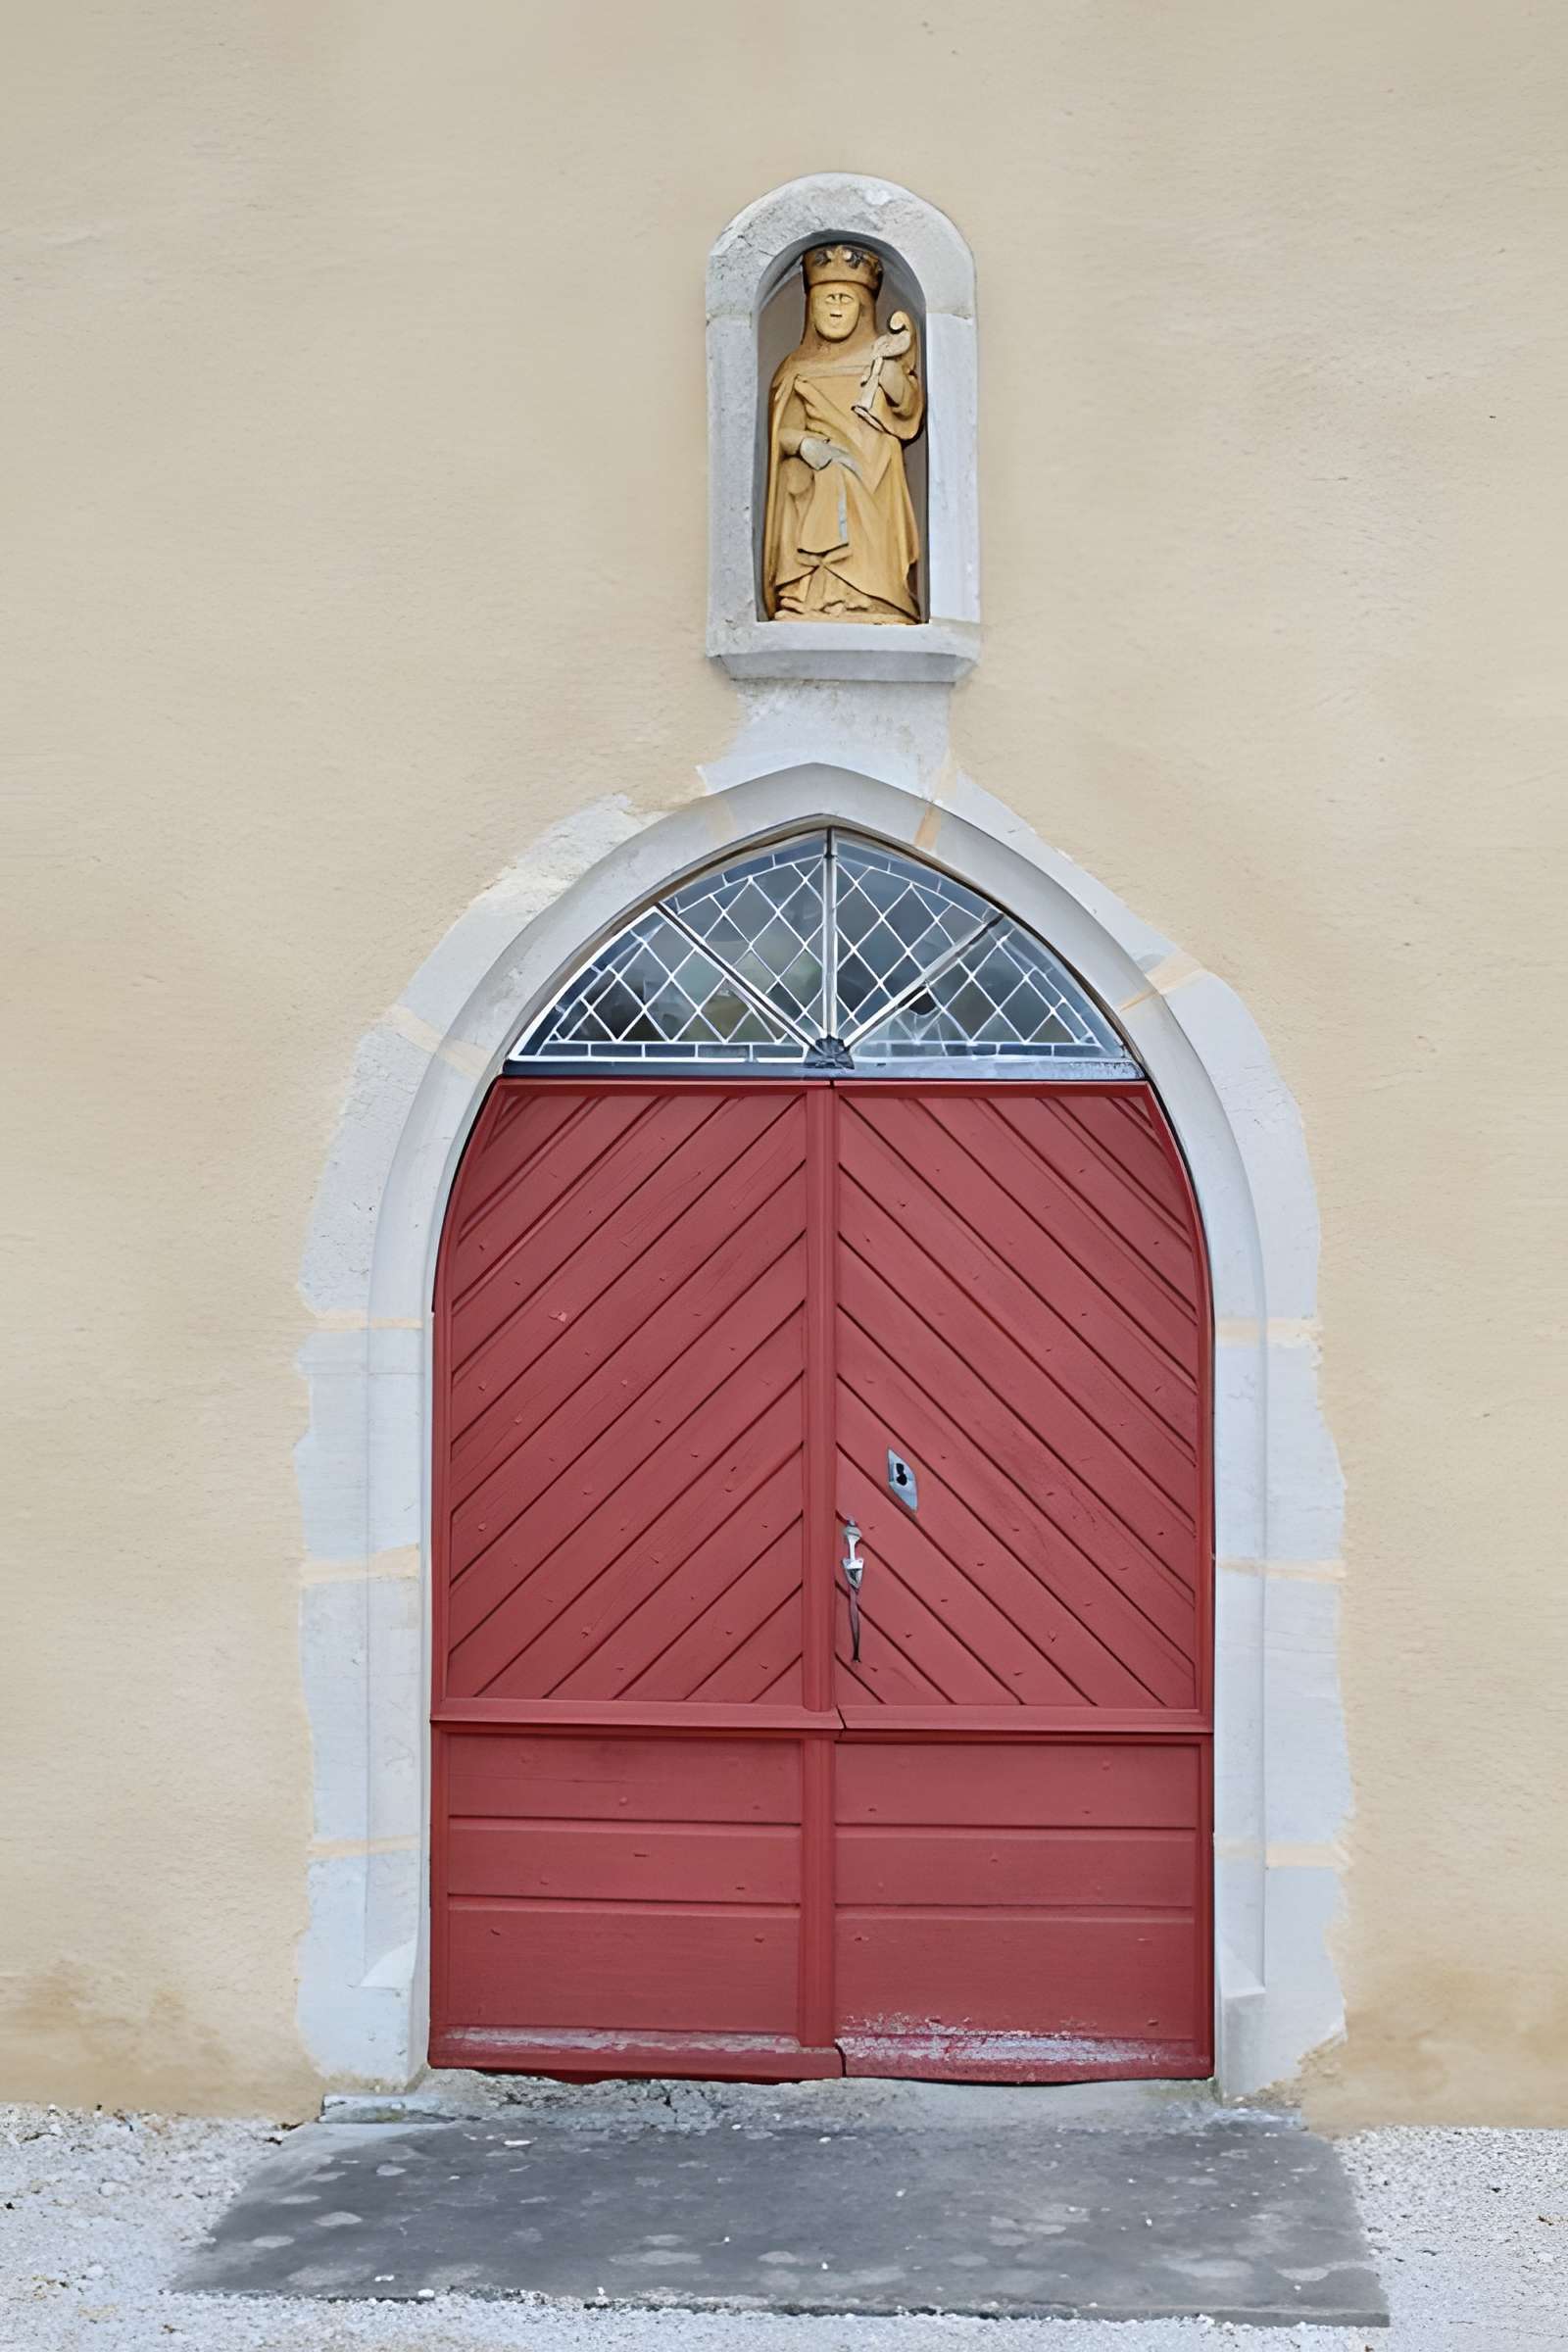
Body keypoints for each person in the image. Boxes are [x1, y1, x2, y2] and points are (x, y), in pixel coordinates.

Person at [762, 243, 924, 623]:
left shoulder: (880, 356)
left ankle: (877, 598)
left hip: (876, 470)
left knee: (862, 474)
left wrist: (891, 375)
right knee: (802, 476)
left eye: (844, 299)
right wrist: (805, 444)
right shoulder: (796, 367)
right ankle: (808, 596)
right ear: (811, 306)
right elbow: (782, 433)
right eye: (826, 299)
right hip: (821, 469)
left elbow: (908, 408)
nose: (835, 308)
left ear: (864, 308)